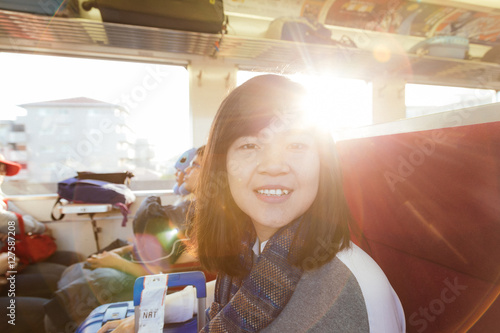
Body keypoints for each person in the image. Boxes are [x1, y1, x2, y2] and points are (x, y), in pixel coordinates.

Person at [99, 74, 406, 332]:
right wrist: (150, 315)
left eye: (296, 144)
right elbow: (238, 291)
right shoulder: (257, 247)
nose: (274, 166)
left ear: (323, 164)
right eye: (249, 145)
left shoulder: (349, 291)